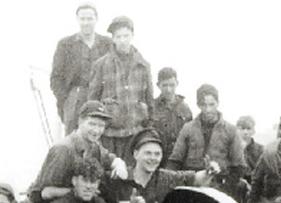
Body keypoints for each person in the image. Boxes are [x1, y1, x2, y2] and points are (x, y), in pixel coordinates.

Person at [22, 100, 128, 203]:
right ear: (80, 122)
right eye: (92, 124)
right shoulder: (63, 149)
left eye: (101, 126)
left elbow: (111, 159)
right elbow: (46, 193)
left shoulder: (94, 146)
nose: (97, 130)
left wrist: (120, 165)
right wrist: (81, 192)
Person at [87, 15, 151, 160]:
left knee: (131, 175)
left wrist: (147, 130)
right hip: (109, 136)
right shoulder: (101, 65)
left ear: (132, 36)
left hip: (135, 134)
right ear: (113, 38)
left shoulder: (143, 65)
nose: (123, 40)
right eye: (118, 36)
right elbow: (92, 102)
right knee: (108, 173)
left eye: (126, 36)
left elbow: (149, 101)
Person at [168, 84, 247, 201]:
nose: (208, 110)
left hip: (220, 186)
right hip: (192, 184)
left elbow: (238, 166)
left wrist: (226, 189)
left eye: (211, 104)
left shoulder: (231, 130)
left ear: (218, 103)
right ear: (198, 105)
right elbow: (175, 161)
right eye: (203, 105)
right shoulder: (188, 128)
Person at [50, 3, 112, 133]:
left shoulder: (107, 43)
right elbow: (56, 77)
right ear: (77, 19)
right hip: (75, 98)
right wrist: (66, 99)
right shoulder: (65, 44)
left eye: (89, 19)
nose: (86, 23)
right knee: (74, 138)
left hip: (101, 97)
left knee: (100, 136)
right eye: (82, 19)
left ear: (96, 19)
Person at [148, 67, 192, 162]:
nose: (168, 90)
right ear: (158, 85)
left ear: (177, 84)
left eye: (172, 85)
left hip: (179, 159)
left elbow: (190, 137)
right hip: (157, 158)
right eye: (165, 85)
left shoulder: (185, 109)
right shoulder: (152, 107)